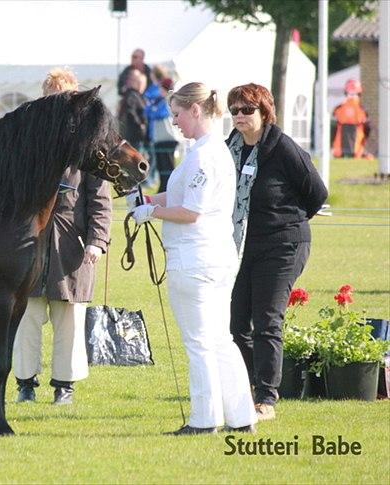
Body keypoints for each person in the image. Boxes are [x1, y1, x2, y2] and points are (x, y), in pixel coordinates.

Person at [129, 82, 256, 435]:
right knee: (219, 339)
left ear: (195, 110)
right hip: (215, 256)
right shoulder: (210, 151)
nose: (175, 123)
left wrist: (151, 215)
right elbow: (181, 195)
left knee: (199, 342)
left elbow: (191, 211)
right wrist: (151, 201)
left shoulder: (203, 154)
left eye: (177, 115)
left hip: (196, 258)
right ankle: (242, 415)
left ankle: (203, 420)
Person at [226, 83, 327, 421]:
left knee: (267, 320)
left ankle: (266, 398)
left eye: (247, 110)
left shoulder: (283, 147)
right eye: (235, 110)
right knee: (237, 322)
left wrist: (288, 222)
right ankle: (247, 387)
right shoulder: (230, 148)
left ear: (264, 112)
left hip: (284, 243)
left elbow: (317, 193)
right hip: (242, 246)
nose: (240, 116)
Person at [12, 67, 112, 405]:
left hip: (73, 245)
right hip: (31, 244)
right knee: (27, 317)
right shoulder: (26, 143)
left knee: (68, 321)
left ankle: (64, 388)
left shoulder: (91, 146)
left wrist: (98, 241)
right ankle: (25, 384)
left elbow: (100, 199)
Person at [146, 76, 178, 193]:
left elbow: (160, 114)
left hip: (168, 139)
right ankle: (163, 190)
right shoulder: (158, 101)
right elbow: (148, 112)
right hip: (159, 139)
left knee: (168, 169)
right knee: (161, 169)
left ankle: (169, 191)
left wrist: (152, 108)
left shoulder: (170, 101)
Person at [332, 79, 372, 159]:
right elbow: (368, 129)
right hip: (357, 152)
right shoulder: (362, 111)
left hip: (339, 151)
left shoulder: (338, 110)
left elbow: (332, 129)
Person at [118, 69, 147, 151]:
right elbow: (130, 111)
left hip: (133, 135)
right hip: (133, 135)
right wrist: (140, 125)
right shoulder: (132, 95)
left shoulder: (133, 95)